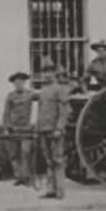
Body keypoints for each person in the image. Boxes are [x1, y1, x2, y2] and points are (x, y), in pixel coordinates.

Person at [35, 66, 76, 199]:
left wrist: (59, 128)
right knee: (48, 161)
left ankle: (60, 191)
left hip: (54, 130)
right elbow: (40, 111)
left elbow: (64, 110)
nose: (47, 75)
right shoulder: (43, 91)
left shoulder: (60, 90)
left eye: (49, 72)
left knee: (57, 160)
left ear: (54, 74)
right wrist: (38, 128)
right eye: (45, 72)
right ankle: (50, 190)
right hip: (43, 129)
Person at [2, 71, 35, 186]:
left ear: (24, 82)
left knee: (25, 152)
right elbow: (6, 113)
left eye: (21, 82)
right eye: (16, 82)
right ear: (13, 84)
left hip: (26, 128)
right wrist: (6, 126)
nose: (19, 84)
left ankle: (26, 176)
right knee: (14, 154)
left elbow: (41, 103)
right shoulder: (10, 96)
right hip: (14, 128)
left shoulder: (30, 94)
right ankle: (18, 176)